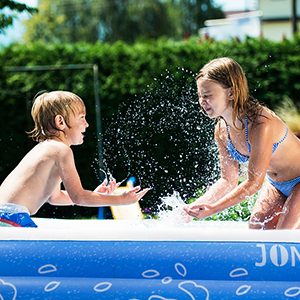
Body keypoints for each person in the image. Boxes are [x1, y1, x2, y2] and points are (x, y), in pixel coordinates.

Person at [0, 91, 148, 227]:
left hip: (6, 212)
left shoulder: (46, 149)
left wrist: (97, 194)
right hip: (11, 215)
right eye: (82, 118)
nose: (87, 124)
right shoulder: (61, 150)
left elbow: (55, 197)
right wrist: (121, 200)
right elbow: (79, 197)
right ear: (61, 122)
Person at [183, 57, 300, 230]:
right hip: (276, 184)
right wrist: (190, 210)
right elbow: (228, 180)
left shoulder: (261, 123)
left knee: (285, 234)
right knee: (257, 231)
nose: (202, 101)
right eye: (200, 96)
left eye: (207, 95)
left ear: (231, 93)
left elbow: (253, 182)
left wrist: (213, 209)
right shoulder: (222, 130)